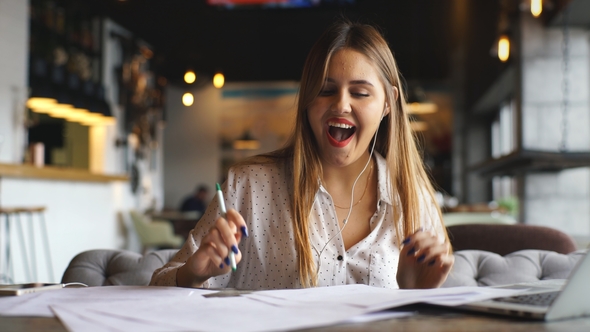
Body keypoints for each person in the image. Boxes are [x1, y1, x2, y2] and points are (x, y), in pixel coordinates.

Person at [151, 19, 454, 289]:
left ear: (389, 103)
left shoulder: (414, 198)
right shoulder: (248, 185)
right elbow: (161, 281)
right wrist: (192, 274)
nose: (341, 105)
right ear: (308, 100)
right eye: (325, 89)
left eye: (360, 93)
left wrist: (416, 295)